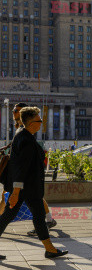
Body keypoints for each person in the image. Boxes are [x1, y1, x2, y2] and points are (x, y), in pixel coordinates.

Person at [0, 107, 68, 259]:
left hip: (29, 188)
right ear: (31, 123)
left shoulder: (23, 135)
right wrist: (16, 192)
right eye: (39, 120)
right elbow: (20, 167)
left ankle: (49, 249)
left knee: (36, 216)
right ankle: (49, 248)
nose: (41, 123)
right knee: (8, 217)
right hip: (25, 188)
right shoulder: (26, 140)